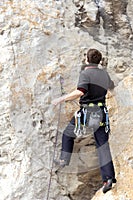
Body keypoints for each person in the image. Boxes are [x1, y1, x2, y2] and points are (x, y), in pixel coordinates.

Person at [52, 48, 116, 193]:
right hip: (101, 114)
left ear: (87, 59)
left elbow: (80, 91)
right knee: (103, 146)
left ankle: (64, 160)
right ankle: (108, 179)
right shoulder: (104, 74)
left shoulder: (85, 73)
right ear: (99, 61)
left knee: (68, 134)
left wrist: (61, 99)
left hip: (87, 113)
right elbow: (112, 87)